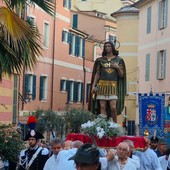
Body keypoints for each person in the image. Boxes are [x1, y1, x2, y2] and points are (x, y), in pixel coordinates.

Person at [88, 41, 126, 123]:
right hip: (102, 86)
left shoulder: (119, 60)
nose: (107, 48)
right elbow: (97, 74)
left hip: (113, 86)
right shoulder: (100, 60)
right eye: (106, 46)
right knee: (102, 106)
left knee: (113, 107)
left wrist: (117, 67)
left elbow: (121, 75)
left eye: (109, 46)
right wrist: (94, 85)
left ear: (112, 47)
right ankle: (103, 125)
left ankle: (115, 125)